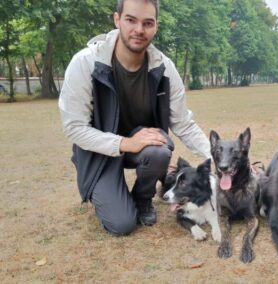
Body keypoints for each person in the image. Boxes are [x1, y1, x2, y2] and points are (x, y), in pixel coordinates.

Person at [58, 0, 211, 236]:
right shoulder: (85, 63)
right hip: (99, 151)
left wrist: (219, 158)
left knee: (158, 149)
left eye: (147, 23)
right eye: (131, 20)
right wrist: (126, 143)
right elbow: (74, 128)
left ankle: (143, 199)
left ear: (156, 27)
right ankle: (97, 178)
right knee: (121, 224)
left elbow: (183, 123)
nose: (139, 30)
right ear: (117, 19)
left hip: (142, 149)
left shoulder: (164, 68)